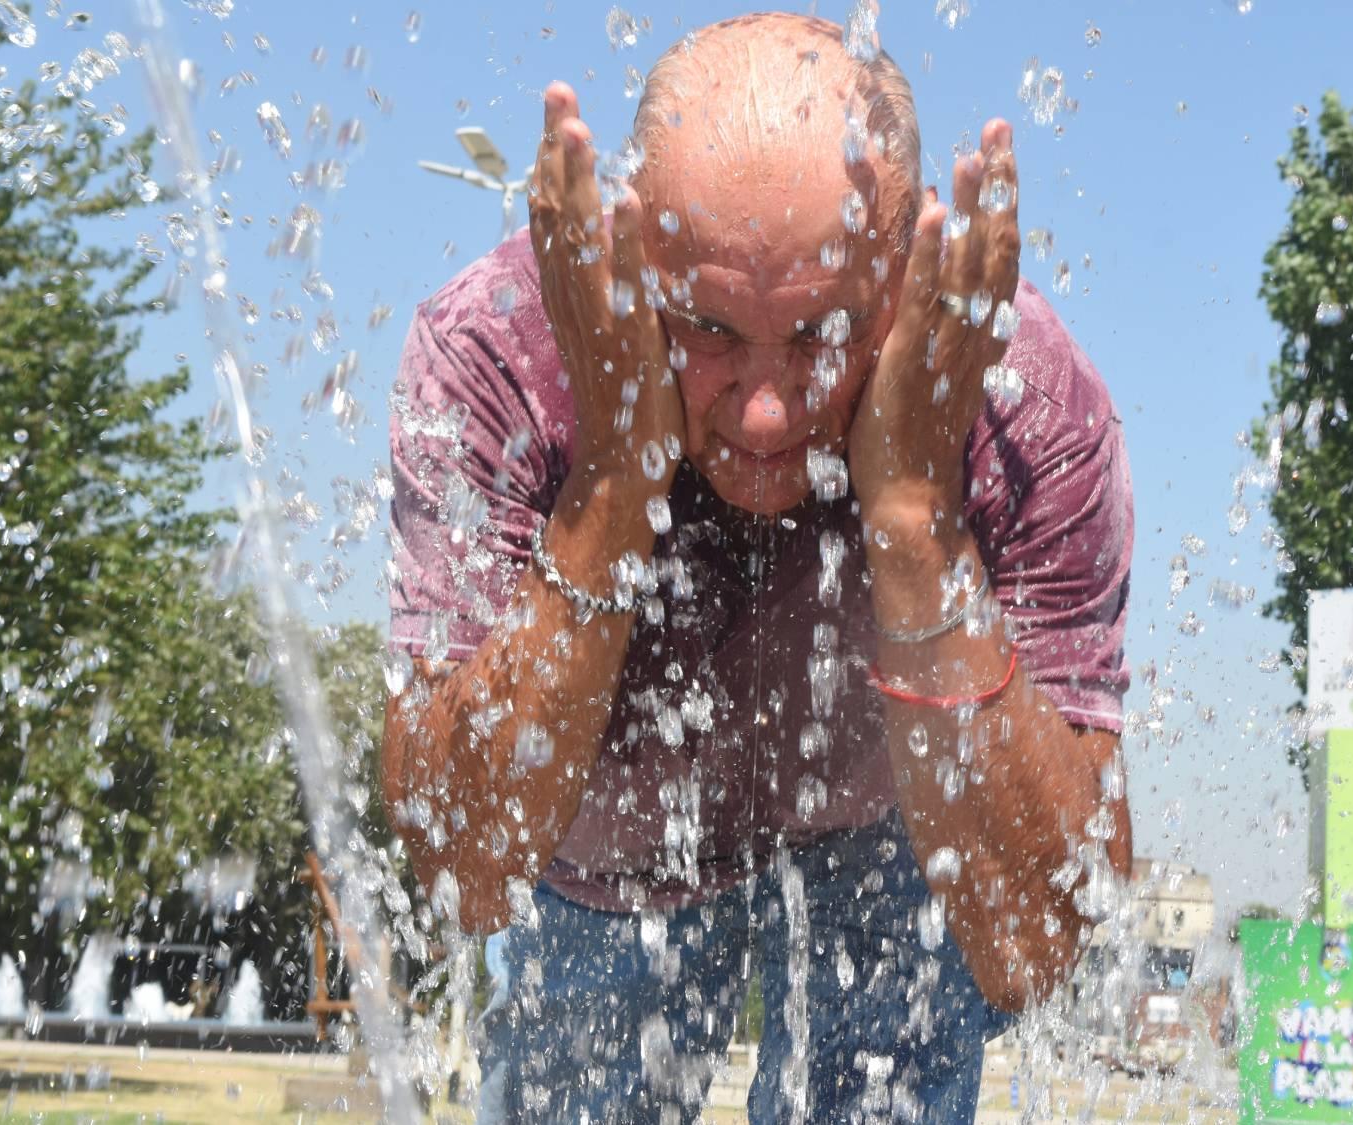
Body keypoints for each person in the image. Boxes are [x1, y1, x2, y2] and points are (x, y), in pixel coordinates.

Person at [385, 13, 1134, 1122]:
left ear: (908, 271)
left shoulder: (1020, 404)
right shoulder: (503, 352)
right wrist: (615, 480)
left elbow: (1033, 942)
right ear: (632, 253)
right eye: (708, 329)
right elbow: (463, 870)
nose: (768, 411)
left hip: (888, 830)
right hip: (608, 841)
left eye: (825, 334)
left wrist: (918, 525)